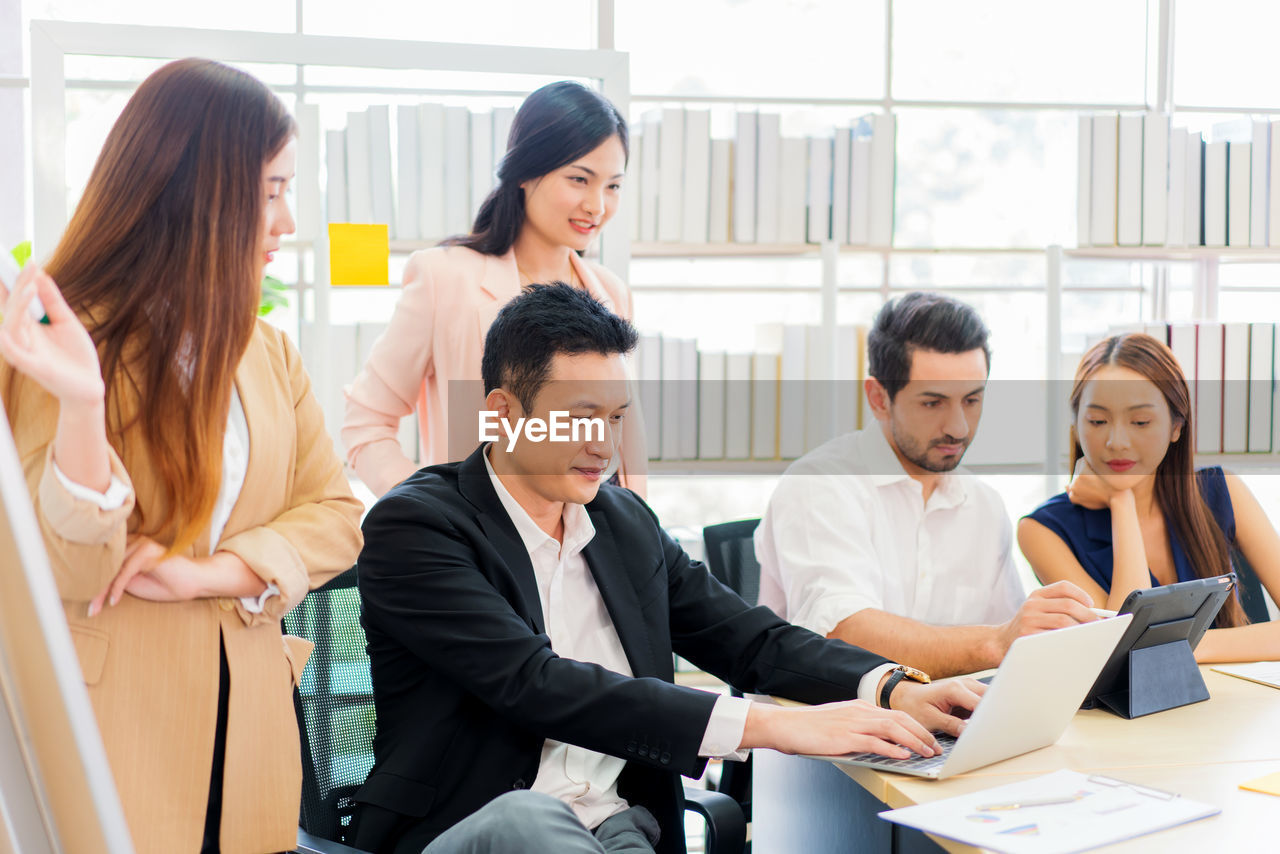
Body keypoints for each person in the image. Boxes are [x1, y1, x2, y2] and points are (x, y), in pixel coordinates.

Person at [353, 284, 985, 854]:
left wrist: (894, 687)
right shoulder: (417, 527)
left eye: (616, 417)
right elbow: (534, 683)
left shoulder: (624, 523)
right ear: (505, 413)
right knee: (529, 822)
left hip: (621, 829)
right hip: (472, 829)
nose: (604, 443)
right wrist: (774, 725)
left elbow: (751, 639)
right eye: (580, 415)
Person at [0, 59, 364, 854]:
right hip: (114, 736)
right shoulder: (67, 346)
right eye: (270, 191)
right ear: (198, 189)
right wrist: (85, 404)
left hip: (249, 750)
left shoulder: (265, 353)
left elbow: (337, 518)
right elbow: (69, 566)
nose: (287, 220)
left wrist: (213, 573)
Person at [756, 291, 1097, 678]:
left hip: (946, 725)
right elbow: (844, 634)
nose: (958, 427)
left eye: (972, 400)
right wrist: (997, 643)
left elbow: (1013, 646)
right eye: (933, 403)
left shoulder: (983, 505)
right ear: (879, 398)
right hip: (829, 726)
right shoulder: (820, 486)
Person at [343, 80, 645, 499]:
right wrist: (431, 516)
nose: (597, 205)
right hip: (484, 547)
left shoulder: (612, 292)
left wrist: (639, 537)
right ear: (526, 172)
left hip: (593, 542)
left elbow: (625, 443)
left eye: (613, 186)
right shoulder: (444, 279)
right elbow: (366, 422)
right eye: (579, 179)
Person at [1018, 332, 1280, 662]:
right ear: (1076, 426)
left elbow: (1143, 647)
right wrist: (1121, 502)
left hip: (1233, 706)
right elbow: (1119, 649)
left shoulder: (1220, 489)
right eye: (1097, 420)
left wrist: (1184, 645)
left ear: (1176, 426)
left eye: (1140, 421)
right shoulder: (1043, 530)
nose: (1116, 441)